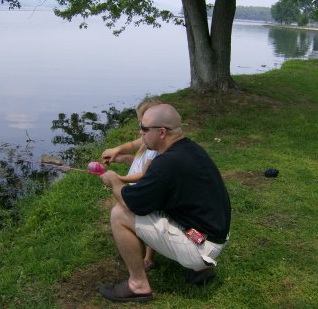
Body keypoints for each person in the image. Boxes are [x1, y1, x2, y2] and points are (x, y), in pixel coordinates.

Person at [99, 104, 231, 303]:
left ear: (161, 132)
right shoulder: (188, 149)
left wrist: (114, 181)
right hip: (213, 235)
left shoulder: (167, 163)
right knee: (158, 203)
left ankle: (137, 284)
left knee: (119, 214)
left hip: (201, 245)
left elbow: (132, 203)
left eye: (144, 129)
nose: (140, 133)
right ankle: (199, 269)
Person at [101, 98, 162, 271]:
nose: (140, 128)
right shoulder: (146, 137)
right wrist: (118, 152)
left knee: (148, 218)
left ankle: (148, 257)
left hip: (143, 189)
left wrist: (118, 179)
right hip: (134, 187)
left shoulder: (154, 147)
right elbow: (132, 146)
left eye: (142, 123)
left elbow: (144, 174)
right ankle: (132, 242)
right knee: (125, 213)